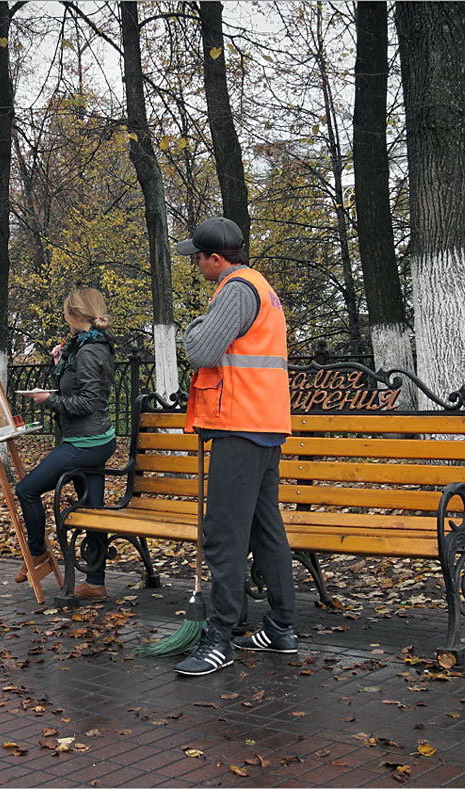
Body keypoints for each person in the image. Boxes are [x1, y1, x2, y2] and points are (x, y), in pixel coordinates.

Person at [171, 216, 298, 676]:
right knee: (266, 531)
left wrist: (194, 327)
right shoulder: (261, 287)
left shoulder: (236, 289)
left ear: (216, 259)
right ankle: (281, 626)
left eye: (198, 258)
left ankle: (220, 637)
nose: (197, 265)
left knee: (223, 534)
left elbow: (201, 350)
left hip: (240, 425)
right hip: (263, 424)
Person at [15, 288, 117, 600]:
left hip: (84, 442)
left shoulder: (87, 352)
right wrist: (61, 362)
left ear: (74, 317)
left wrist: (48, 400)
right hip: (98, 438)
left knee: (26, 490)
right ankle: (96, 583)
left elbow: (86, 402)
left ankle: (38, 552)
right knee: (93, 509)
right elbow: (82, 387)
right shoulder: (90, 345)